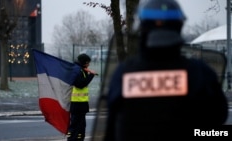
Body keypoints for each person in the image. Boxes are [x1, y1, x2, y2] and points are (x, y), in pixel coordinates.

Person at [104, 0, 228, 140]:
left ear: (142, 27)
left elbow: (111, 127)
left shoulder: (124, 74)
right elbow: (219, 117)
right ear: (179, 26)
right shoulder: (200, 73)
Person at [67, 53, 97, 141]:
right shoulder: (77, 71)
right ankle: (71, 139)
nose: (89, 64)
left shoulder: (81, 70)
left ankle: (79, 139)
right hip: (77, 104)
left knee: (81, 127)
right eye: (88, 62)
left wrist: (87, 72)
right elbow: (80, 84)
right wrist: (91, 75)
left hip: (81, 104)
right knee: (75, 126)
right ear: (84, 62)